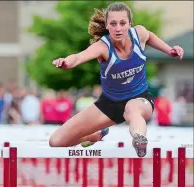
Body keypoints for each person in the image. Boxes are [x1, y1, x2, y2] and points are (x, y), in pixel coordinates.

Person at [49, 2, 184, 157]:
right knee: (56, 141)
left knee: (132, 110)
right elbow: (79, 57)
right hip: (109, 104)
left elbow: (150, 36)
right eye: (113, 24)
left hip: (139, 98)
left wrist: (169, 50)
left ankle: (139, 139)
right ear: (107, 25)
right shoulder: (103, 47)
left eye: (122, 23)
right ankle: (97, 135)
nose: (118, 29)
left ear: (130, 24)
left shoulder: (139, 33)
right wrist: (66, 62)